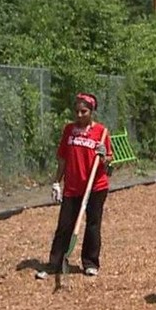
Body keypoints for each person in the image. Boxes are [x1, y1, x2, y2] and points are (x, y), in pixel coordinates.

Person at [36, 93, 113, 280]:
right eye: (76, 111)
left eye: (83, 111)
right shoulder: (69, 130)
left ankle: (90, 263)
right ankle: (55, 263)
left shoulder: (101, 132)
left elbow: (109, 160)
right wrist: (56, 182)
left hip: (95, 187)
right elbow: (62, 159)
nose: (79, 115)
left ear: (91, 111)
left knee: (93, 225)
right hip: (72, 186)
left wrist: (103, 156)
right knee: (64, 225)